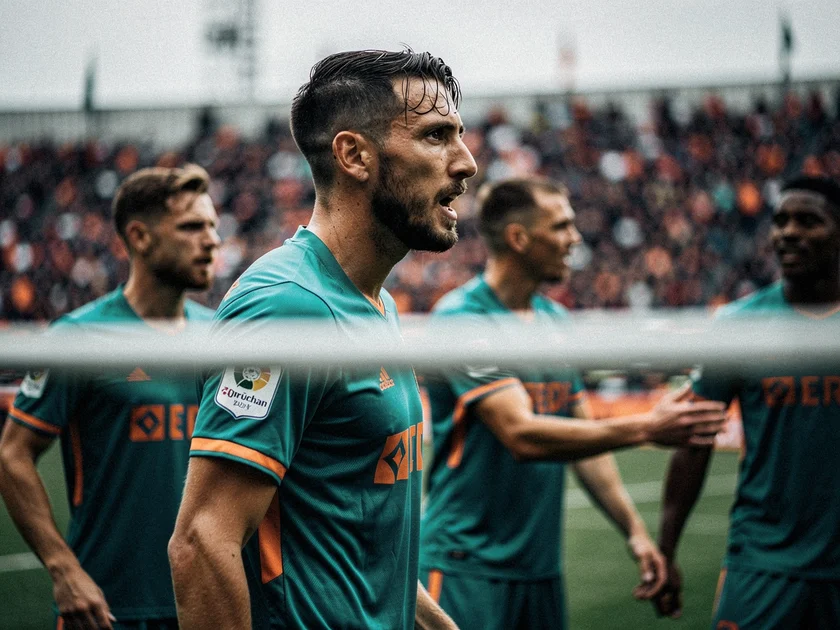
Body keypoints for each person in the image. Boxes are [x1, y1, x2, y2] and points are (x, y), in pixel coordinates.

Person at [167, 48, 477, 630]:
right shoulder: (287, 308)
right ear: (354, 155)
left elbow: (357, 542)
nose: (466, 162)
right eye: (437, 136)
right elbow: (202, 543)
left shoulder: (374, 303)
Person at [418, 177, 728, 630]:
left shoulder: (556, 322)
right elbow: (521, 434)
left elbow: (588, 445)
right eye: (561, 226)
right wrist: (646, 426)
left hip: (541, 569)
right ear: (519, 239)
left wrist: (636, 534)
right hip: (467, 564)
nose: (575, 239)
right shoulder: (462, 320)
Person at [0, 164, 220, 629]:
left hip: (204, 604)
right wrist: (63, 569)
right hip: (106, 608)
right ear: (139, 237)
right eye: (192, 226)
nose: (212, 240)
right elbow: (13, 454)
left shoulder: (220, 336)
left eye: (213, 226)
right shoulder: (78, 337)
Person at [654, 175, 840, 629]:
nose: (788, 232)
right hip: (762, 559)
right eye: (780, 221)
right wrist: (666, 550)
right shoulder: (740, 324)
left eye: (808, 221)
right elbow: (695, 440)